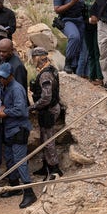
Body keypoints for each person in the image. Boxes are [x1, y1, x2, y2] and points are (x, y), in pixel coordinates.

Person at [0, 62, 37, 208]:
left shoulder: (16, 89)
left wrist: (5, 111)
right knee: (9, 158)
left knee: (20, 161)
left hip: (18, 129)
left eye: (4, 77)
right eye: (0, 77)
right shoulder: (5, 87)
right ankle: (14, 186)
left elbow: (21, 110)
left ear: (10, 76)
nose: (2, 80)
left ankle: (29, 192)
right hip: (9, 129)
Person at [28, 47, 64, 179]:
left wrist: (33, 107)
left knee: (48, 140)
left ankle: (54, 169)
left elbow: (46, 97)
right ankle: (46, 166)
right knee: (44, 138)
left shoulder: (45, 74)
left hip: (48, 110)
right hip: (48, 109)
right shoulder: (50, 70)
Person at [53, 0, 85, 75]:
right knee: (74, 36)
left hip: (81, 19)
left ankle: (79, 69)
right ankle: (68, 62)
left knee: (82, 44)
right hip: (67, 20)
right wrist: (71, 3)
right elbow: (57, 9)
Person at [78, 0, 102, 83]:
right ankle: (91, 76)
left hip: (98, 25)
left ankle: (100, 77)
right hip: (86, 24)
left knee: (97, 51)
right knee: (90, 51)